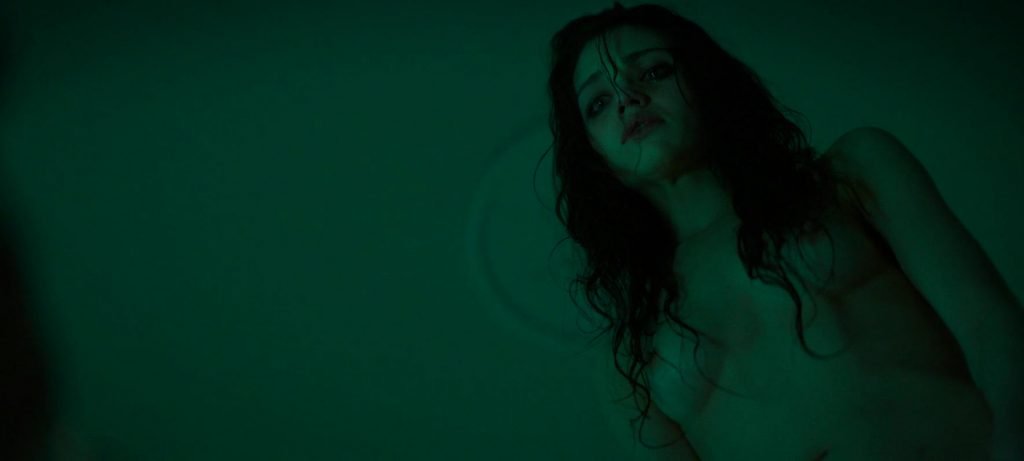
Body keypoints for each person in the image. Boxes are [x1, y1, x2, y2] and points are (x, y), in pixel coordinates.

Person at [545, 3, 1001, 459]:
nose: (627, 98)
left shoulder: (852, 175)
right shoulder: (626, 354)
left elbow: (989, 325)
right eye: (598, 102)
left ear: (705, 80)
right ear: (593, 153)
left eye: (653, 71)